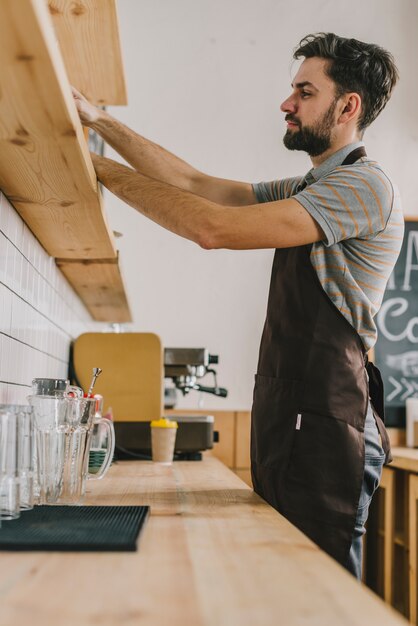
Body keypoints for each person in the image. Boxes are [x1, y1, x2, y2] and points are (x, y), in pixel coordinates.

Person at [73, 32, 403, 579]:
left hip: (329, 426)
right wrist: (98, 122)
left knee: (320, 596)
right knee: (280, 585)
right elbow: (198, 186)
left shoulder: (361, 188)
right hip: (291, 417)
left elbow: (212, 227)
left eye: (304, 91)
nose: (286, 103)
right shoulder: (313, 185)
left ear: (348, 106)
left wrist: (96, 170)